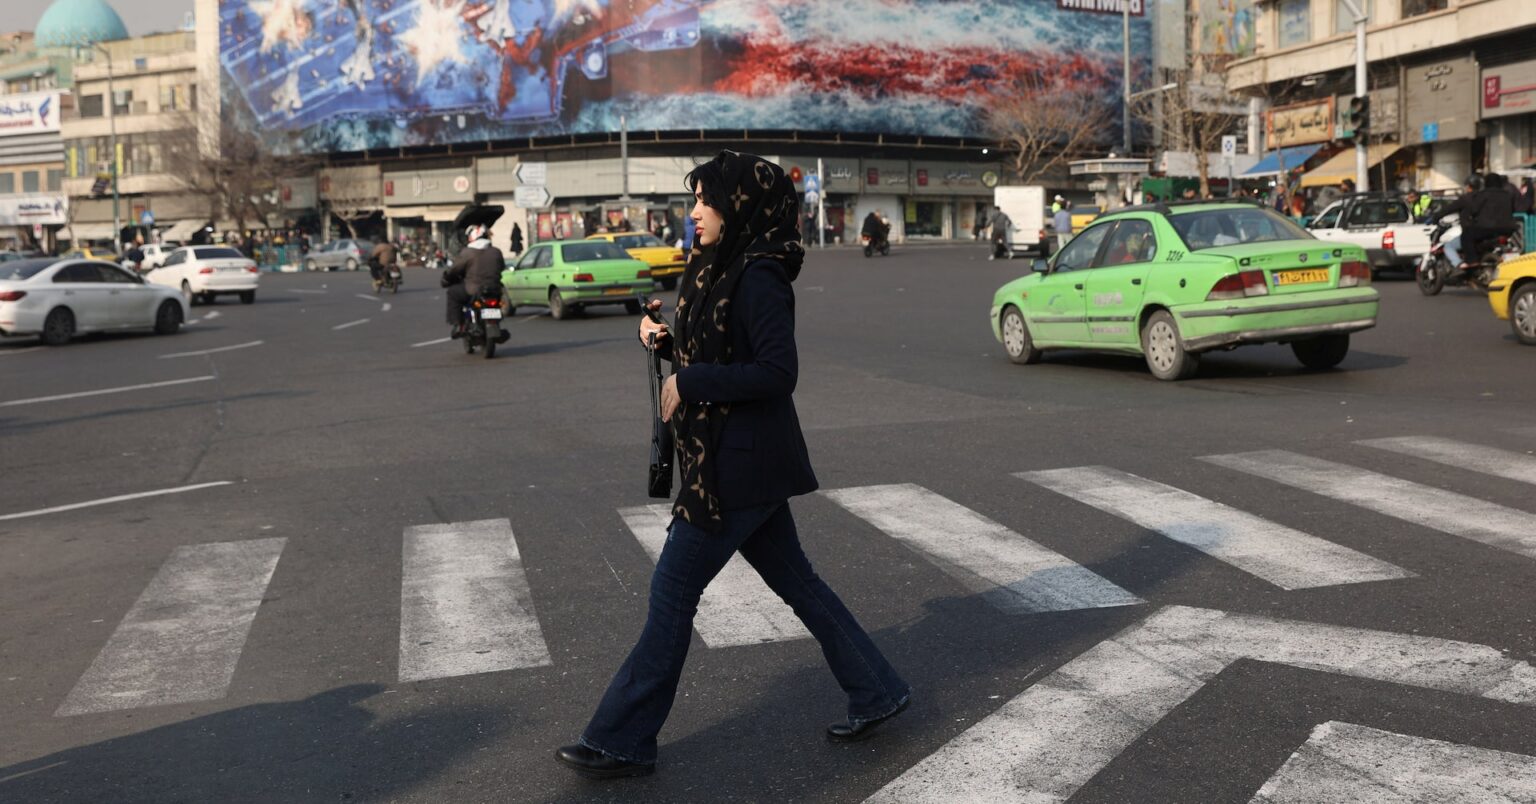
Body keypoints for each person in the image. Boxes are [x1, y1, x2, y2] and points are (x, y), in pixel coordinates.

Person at [556, 151, 910, 780]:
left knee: (671, 595)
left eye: (706, 200)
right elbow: (715, 348)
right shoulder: (718, 267)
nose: (694, 211)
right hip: (734, 461)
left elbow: (778, 372)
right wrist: (665, 342)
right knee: (800, 586)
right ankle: (877, 688)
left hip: (739, 467)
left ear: (740, 205)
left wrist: (691, 380)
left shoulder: (760, 275)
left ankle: (622, 739)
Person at [442, 205, 509, 341]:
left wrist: (447, 278)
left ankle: (459, 325)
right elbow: (501, 267)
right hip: (495, 289)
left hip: (473, 290)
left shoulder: (468, 253)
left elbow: (455, 270)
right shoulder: (496, 251)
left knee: (453, 293)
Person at [1433, 175, 1516, 269]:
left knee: (1466, 234)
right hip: (1508, 229)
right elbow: (1514, 208)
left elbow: (1474, 210)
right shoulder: (1507, 194)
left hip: (1487, 228)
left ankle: (1472, 261)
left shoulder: (1482, 195)